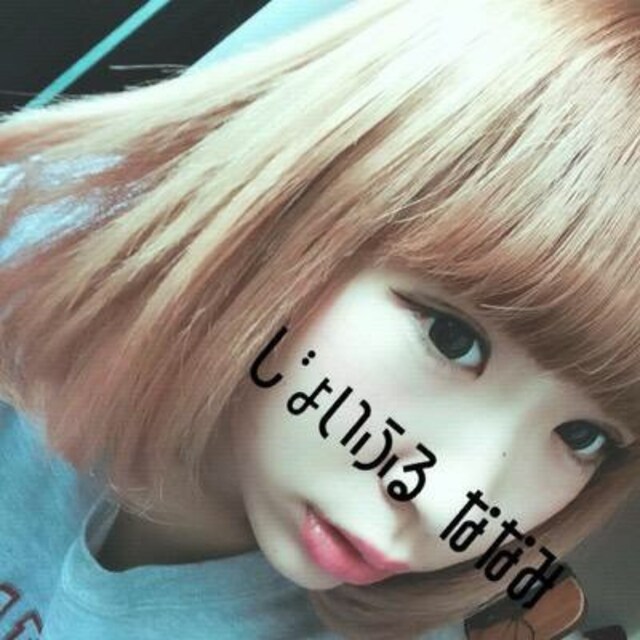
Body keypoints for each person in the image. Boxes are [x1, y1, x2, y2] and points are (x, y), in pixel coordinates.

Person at [0, 0, 639, 638]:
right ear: (294, 201)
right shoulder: (23, 254)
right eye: (452, 339)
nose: (450, 508)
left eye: (584, 437)